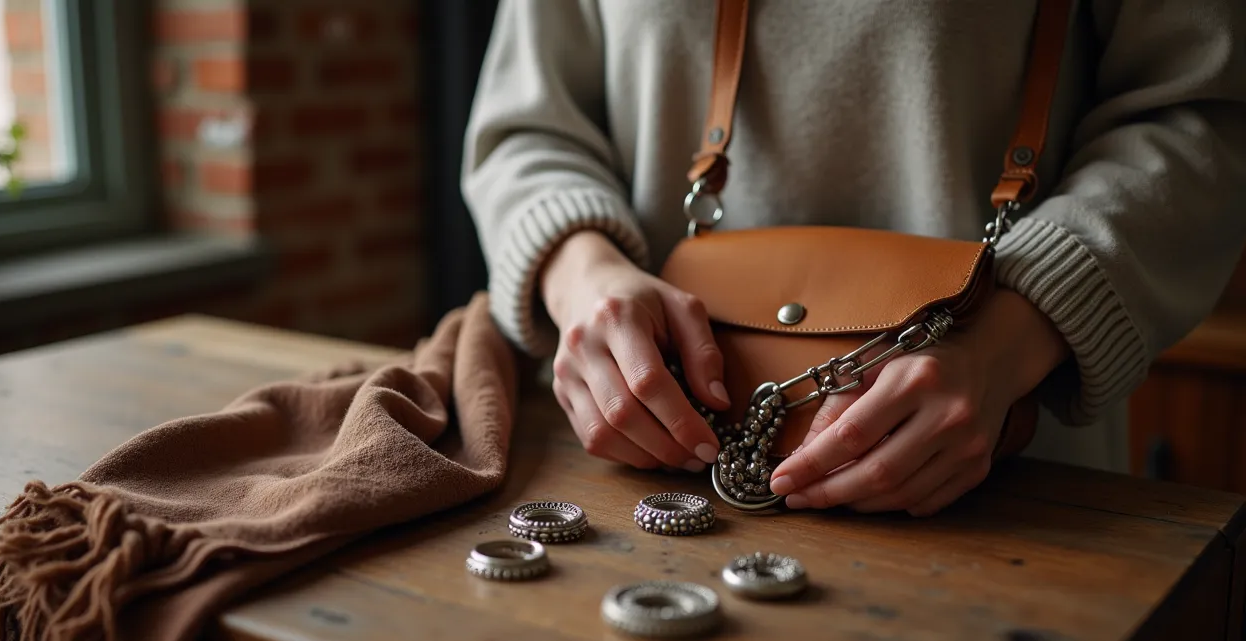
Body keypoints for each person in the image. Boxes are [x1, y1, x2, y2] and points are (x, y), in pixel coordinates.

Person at [460, 0, 1246, 516]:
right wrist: (583, 276)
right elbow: (526, 129)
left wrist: (1009, 341)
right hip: (627, 478)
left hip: (1004, 495)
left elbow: (1203, 118)